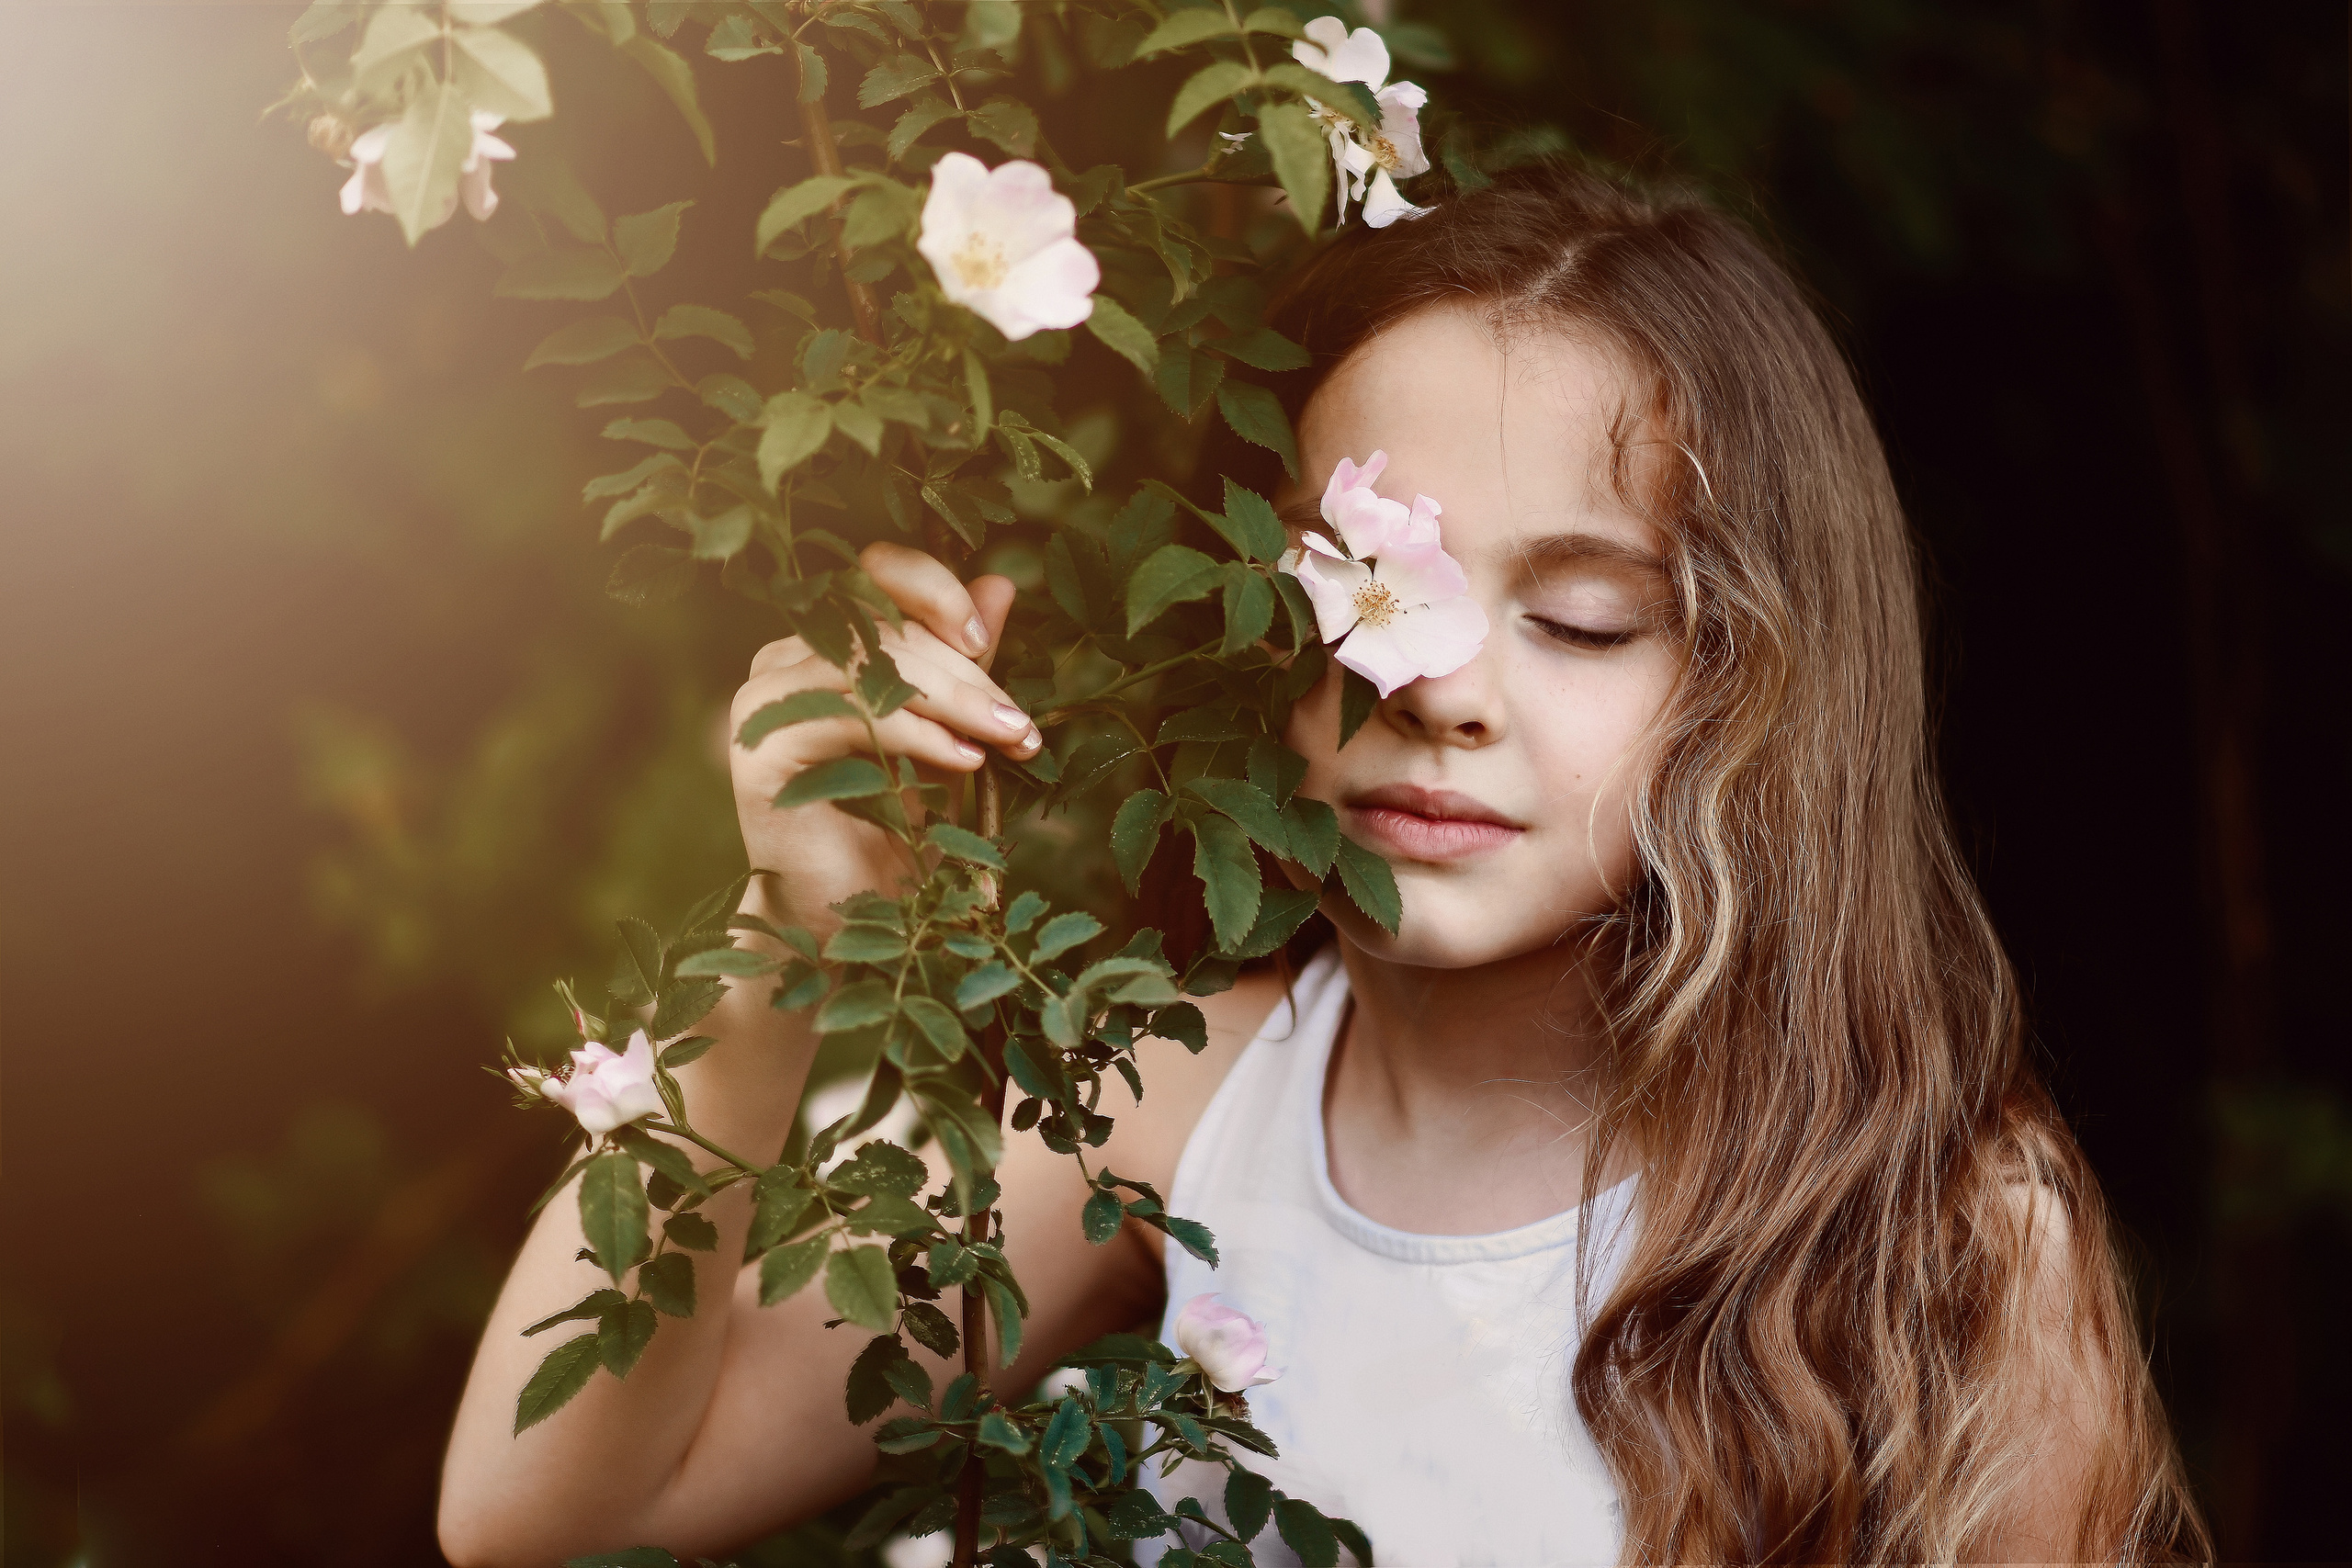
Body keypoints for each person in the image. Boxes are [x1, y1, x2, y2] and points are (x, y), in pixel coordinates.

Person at [437, 166, 2209, 1567]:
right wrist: (774, 949)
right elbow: (546, 1511)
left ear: (1753, 676)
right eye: (1363, 580)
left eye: (1583, 618)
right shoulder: (1163, 1099)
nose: (1435, 683)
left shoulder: (1933, 1240)